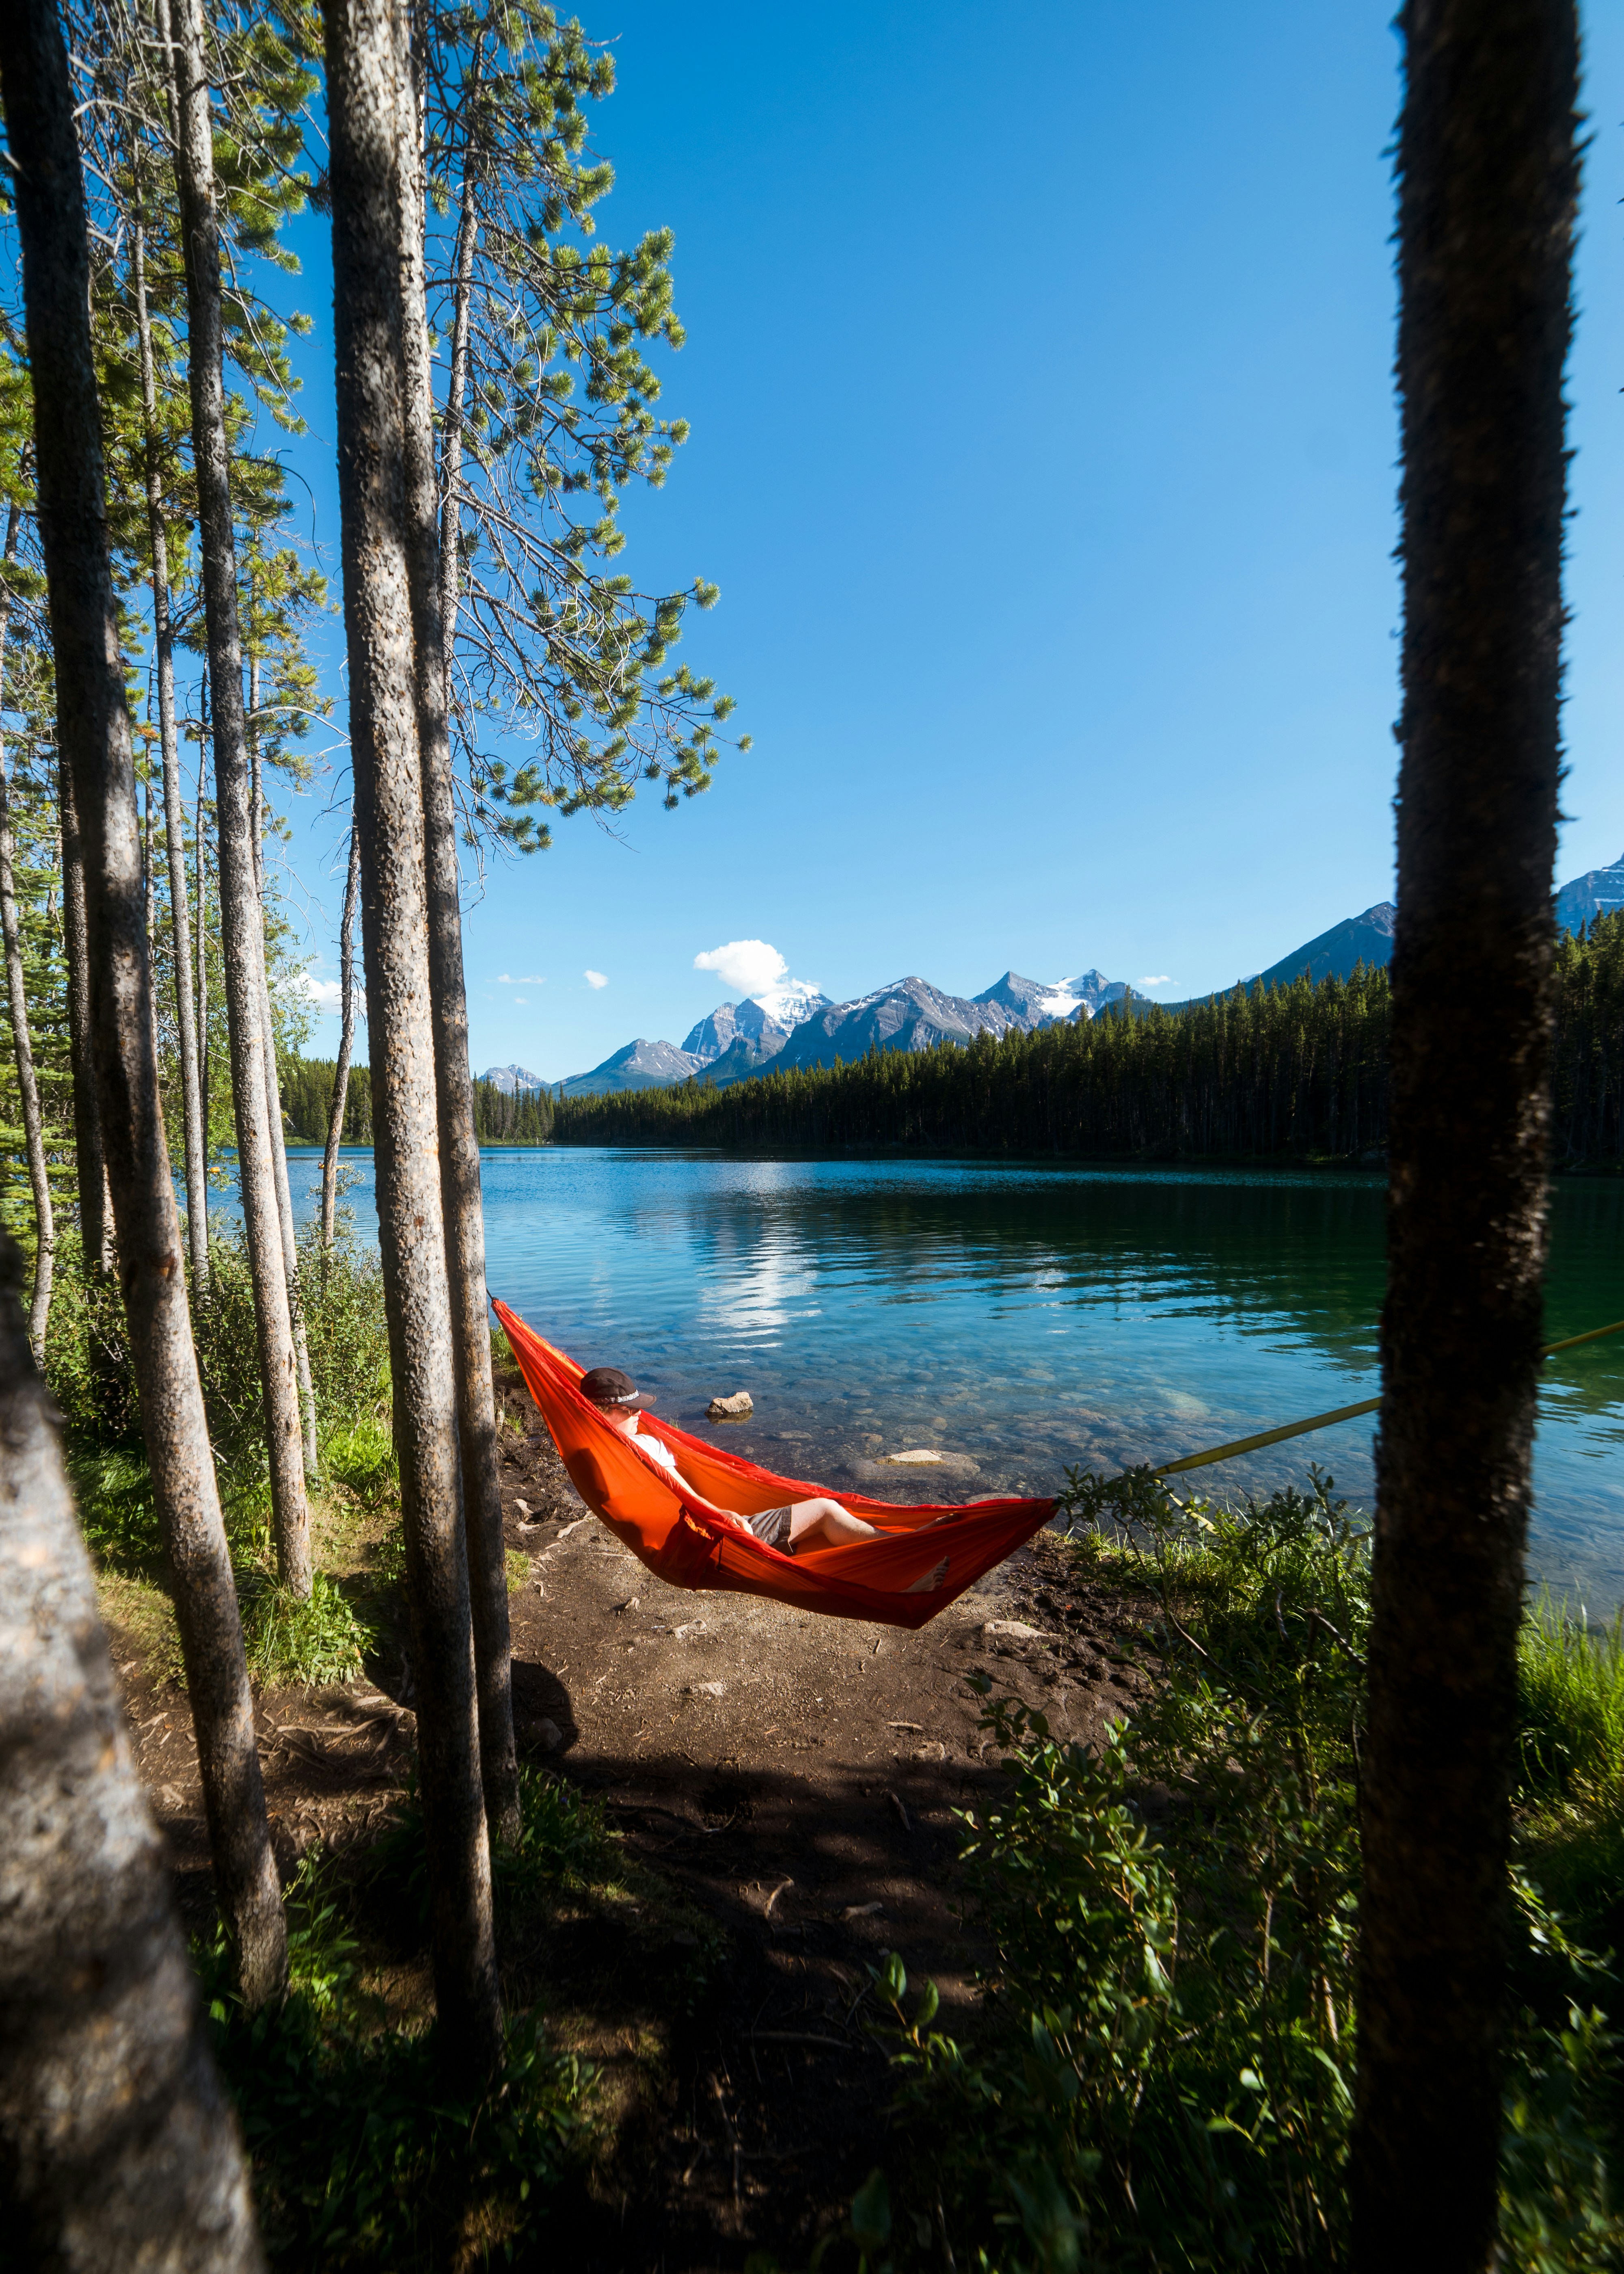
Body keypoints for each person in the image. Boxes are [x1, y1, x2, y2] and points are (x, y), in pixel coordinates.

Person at [579, 1365, 947, 1591]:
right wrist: (719, 1517)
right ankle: (904, 1550)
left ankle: (900, 1567)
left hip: (707, 1529)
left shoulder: (622, 1446)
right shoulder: (618, 1454)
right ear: (602, 1412)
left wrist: (717, 1513)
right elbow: (675, 1500)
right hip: (703, 1542)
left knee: (812, 1556)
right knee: (824, 1512)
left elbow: (684, 1492)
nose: (639, 1415)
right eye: (630, 1410)